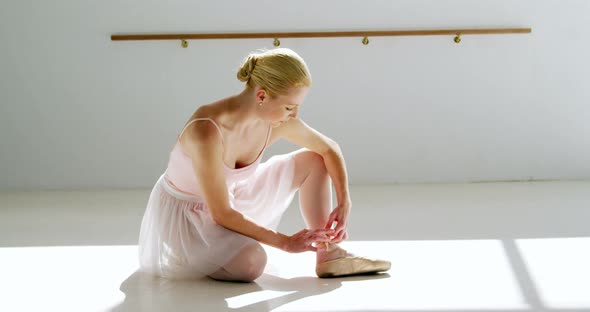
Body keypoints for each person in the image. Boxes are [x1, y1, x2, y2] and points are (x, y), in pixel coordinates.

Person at [138, 48, 390, 282]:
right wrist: (286, 243)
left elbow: (329, 148)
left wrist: (345, 201)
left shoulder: (276, 120)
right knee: (252, 263)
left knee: (314, 159)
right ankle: (195, 255)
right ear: (261, 95)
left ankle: (330, 254)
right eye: (290, 107)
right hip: (189, 216)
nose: (294, 116)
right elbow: (221, 213)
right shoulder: (206, 130)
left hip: (231, 197)